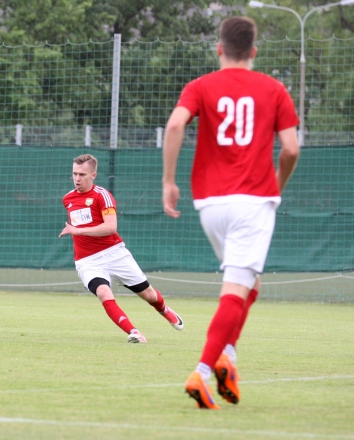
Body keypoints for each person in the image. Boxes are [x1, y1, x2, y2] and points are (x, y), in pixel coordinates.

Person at [162, 16, 300, 409]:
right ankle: (202, 372)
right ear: (254, 52)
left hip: (210, 204)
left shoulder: (201, 86)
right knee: (237, 289)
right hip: (252, 203)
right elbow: (290, 149)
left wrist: (168, 181)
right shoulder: (273, 89)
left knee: (247, 285)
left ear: (219, 49)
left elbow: (175, 126)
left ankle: (229, 359)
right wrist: (277, 183)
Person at [59, 154, 184, 343]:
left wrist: (77, 230)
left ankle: (165, 311)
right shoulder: (68, 199)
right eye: (74, 174)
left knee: (149, 295)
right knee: (103, 292)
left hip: (114, 254)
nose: (77, 179)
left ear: (93, 175)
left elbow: (111, 227)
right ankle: (134, 332)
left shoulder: (103, 196)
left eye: (82, 174)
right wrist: (78, 232)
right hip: (87, 261)